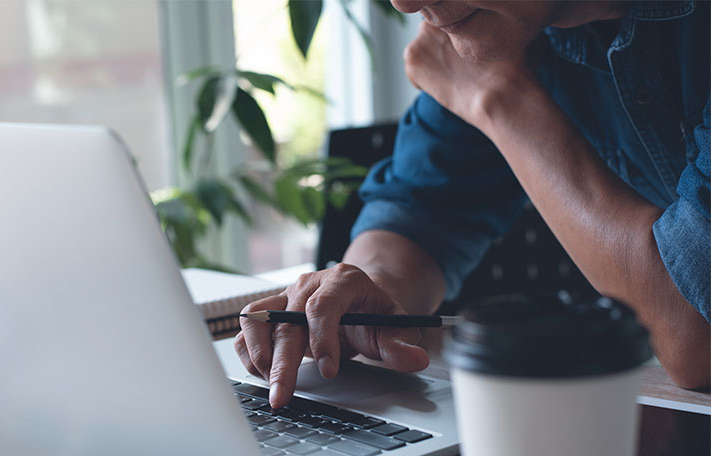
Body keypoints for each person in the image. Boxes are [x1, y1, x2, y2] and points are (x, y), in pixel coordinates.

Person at [236, 0, 710, 407]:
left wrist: (500, 102)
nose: (403, 4)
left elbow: (696, 332)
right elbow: (418, 211)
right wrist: (365, 293)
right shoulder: (516, 23)